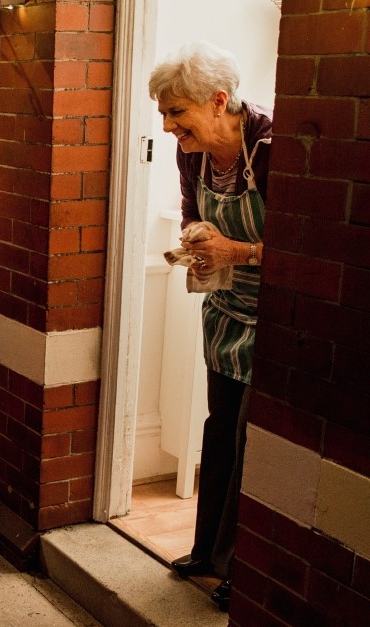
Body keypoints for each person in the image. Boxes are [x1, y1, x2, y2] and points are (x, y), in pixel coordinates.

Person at [148, 41, 271, 612]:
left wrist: (236, 251)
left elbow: (303, 250)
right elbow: (192, 208)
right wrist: (198, 237)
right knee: (220, 431)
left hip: (272, 320)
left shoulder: (274, 149)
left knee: (255, 444)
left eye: (177, 113)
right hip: (226, 316)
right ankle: (208, 552)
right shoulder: (194, 156)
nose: (168, 124)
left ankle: (243, 571)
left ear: (219, 101)